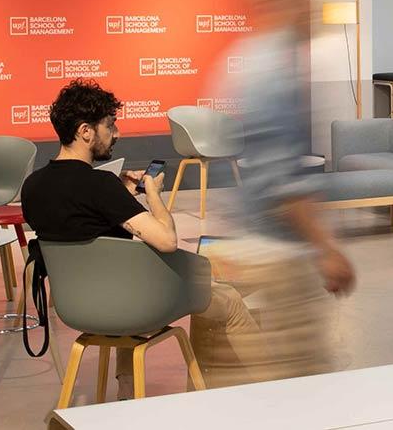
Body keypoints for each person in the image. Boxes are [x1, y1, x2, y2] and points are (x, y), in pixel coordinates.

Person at [19, 79, 255, 399]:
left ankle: (126, 397)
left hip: (78, 306)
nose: (116, 134)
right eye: (110, 125)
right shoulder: (100, 186)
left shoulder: (33, 186)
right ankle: (273, 388)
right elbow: (167, 240)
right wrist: (154, 195)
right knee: (227, 299)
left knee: (122, 281)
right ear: (86, 131)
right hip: (134, 306)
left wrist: (122, 197)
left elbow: (78, 224)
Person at [190, 0, 355, 387]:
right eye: (309, 0)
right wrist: (327, 249)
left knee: (272, 378)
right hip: (282, 255)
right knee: (300, 380)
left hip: (253, 242)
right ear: (291, 4)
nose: (317, 10)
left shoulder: (247, 58)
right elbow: (284, 183)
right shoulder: (279, 73)